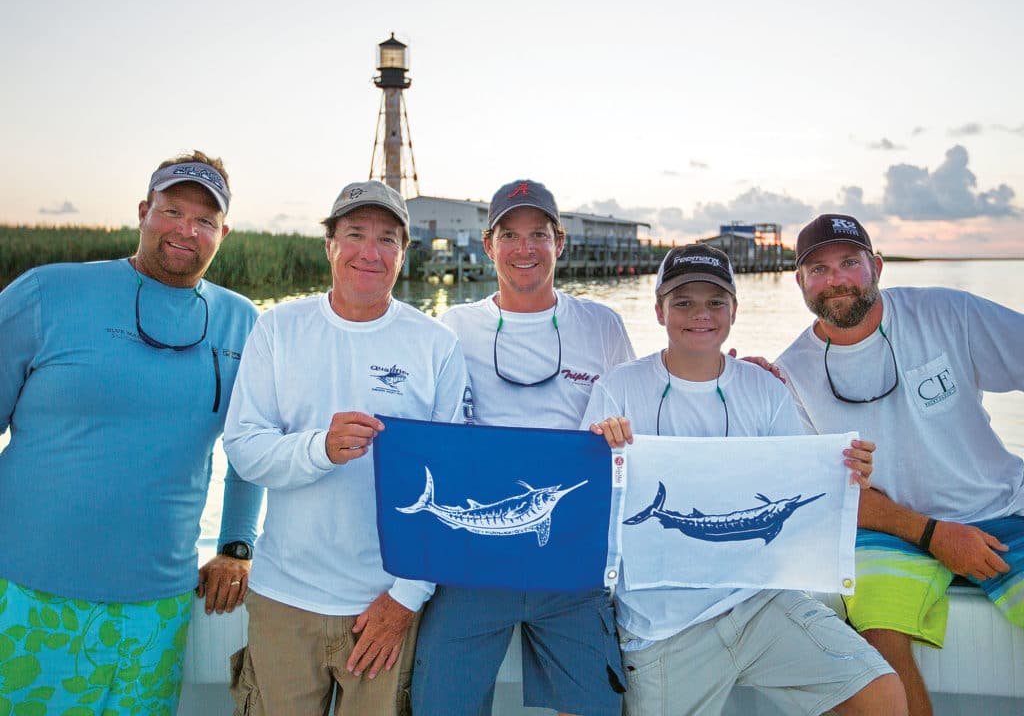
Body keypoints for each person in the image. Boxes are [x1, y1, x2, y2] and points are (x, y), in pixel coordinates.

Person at [584, 244, 906, 716]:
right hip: (663, 621)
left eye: (715, 302)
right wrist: (600, 450)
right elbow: (592, 504)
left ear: (734, 310)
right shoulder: (618, 388)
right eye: (683, 302)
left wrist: (845, 475)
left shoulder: (764, 388)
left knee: (879, 694)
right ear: (658, 311)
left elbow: (796, 484)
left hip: (759, 601)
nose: (701, 315)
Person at [0, 151, 262, 716]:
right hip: (24, 592)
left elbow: (250, 449)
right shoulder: (46, 293)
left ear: (223, 232)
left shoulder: (244, 322)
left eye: (205, 220)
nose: (186, 230)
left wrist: (237, 545)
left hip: (156, 609)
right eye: (172, 211)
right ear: (144, 211)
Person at [224, 180, 472, 716]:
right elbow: (244, 449)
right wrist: (321, 449)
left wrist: (407, 598)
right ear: (329, 245)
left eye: (388, 239)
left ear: (404, 254)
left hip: (385, 606)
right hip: (284, 599)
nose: (370, 252)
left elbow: (453, 485)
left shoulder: (437, 346)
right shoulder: (277, 329)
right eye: (355, 233)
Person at [776, 214, 1024, 716]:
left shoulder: (947, 313)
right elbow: (830, 496)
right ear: (799, 282)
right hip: (887, 527)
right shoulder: (790, 373)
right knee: (879, 645)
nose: (836, 279)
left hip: (998, 504)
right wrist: (934, 535)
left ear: (878, 267)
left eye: (850, 262)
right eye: (818, 269)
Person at [412, 180, 635, 716]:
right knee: (438, 703)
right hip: (473, 564)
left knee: (597, 707)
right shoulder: (454, 327)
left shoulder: (602, 325)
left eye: (539, 234)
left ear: (560, 242)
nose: (524, 248)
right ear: (488, 245)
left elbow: (640, 408)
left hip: (573, 564)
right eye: (509, 234)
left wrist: (731, 371)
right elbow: (431, 427)